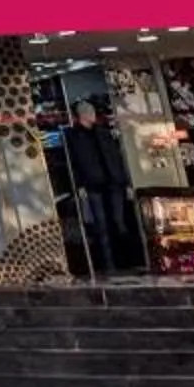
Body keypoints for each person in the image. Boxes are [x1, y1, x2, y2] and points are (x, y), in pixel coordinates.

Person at [65, 100, 134, 274]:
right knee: (102, 225)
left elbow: (115, 158)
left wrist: (125, 182)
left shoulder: (102, 134)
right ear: (83, 115)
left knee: (118, 222)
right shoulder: (74, 137)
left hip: (112, 182)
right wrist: (79, 184)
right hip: (94, 183)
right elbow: (74, 163)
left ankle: (124, 260)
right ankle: (110, 263)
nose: (92, 115)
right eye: (89, 113)